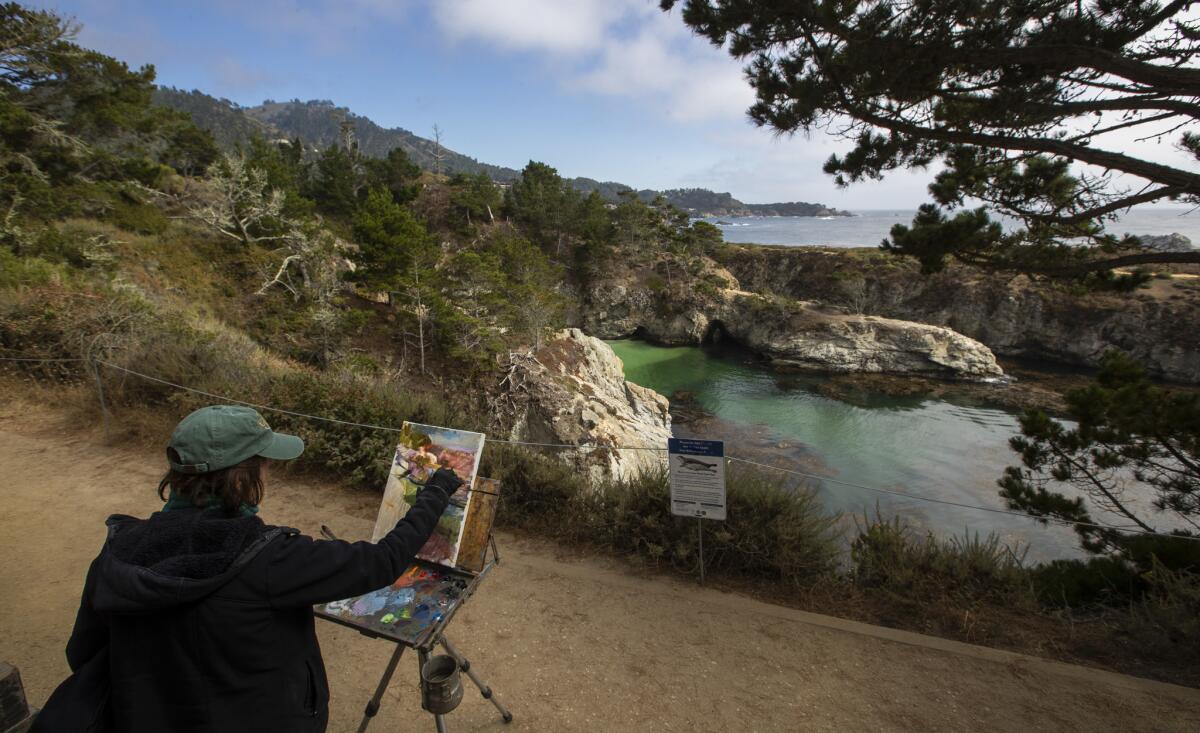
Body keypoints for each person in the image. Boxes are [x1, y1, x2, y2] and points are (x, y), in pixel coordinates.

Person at [34, 404, 461, 732]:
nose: (268, 475)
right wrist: (436, 489)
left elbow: (83, 653)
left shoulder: (119, 550)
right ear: (239, 480)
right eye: (263, 466)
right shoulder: (267, 559)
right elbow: (381, 562)